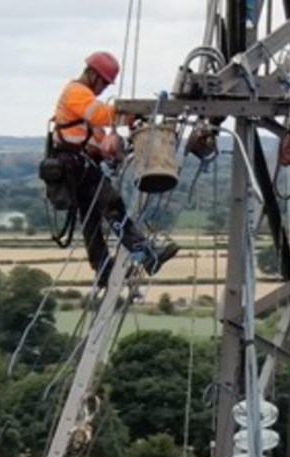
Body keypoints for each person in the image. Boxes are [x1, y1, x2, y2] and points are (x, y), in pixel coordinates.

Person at [49, 50, 178, 284]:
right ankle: (145, 255)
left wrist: (109, 148)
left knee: (92, 221)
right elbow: (100, 115)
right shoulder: (76, 93)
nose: (104, 89)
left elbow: (95, 135)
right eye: (104, 83)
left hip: (76, 165)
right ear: (93, 75)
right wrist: (128, 115)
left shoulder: (81, 99)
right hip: (75, 165)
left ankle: (103, 269)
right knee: (112, 204)